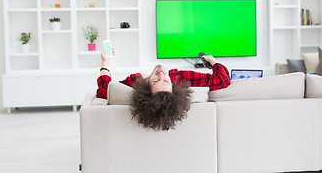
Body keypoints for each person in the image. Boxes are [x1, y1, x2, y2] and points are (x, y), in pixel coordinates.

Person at [96, 50, 230, 131]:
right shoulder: (179, 78)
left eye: (155, 81)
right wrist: (212, 61)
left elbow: (104, 91)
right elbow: (222, 80)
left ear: (145, 88)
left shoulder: (134, 83)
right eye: (166, 81)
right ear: (174, 87)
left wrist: (105, 64)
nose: (161, 74)